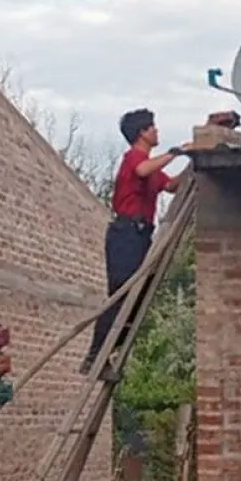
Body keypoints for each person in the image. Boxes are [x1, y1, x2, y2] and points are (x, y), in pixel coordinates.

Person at [79, 108, 189, 380]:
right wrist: (176, 152)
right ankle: (94, 357)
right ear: (142, 132)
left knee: (140, 296)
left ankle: (112, 352)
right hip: (125, 234)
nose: (156, 131)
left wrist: (193, 164)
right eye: (152, 127)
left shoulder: (151, 167)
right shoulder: (134, 159)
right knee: (121, 294)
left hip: (141, 236)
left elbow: (172, 186)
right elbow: (142, 169)